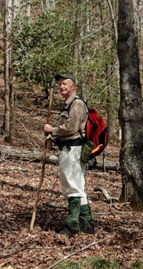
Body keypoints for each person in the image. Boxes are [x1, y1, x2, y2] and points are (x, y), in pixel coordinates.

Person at [43, 72, 95, 235]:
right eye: (59, 84)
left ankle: (72, 225)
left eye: (65, 83)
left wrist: (53, 130)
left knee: (72, 186)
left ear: (73, 86)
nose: (61, 86)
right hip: (70, 148)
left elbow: (71, 128)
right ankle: (86, 225)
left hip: (72, 149)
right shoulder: (69, 104)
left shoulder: (77, 104)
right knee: (78, 187)